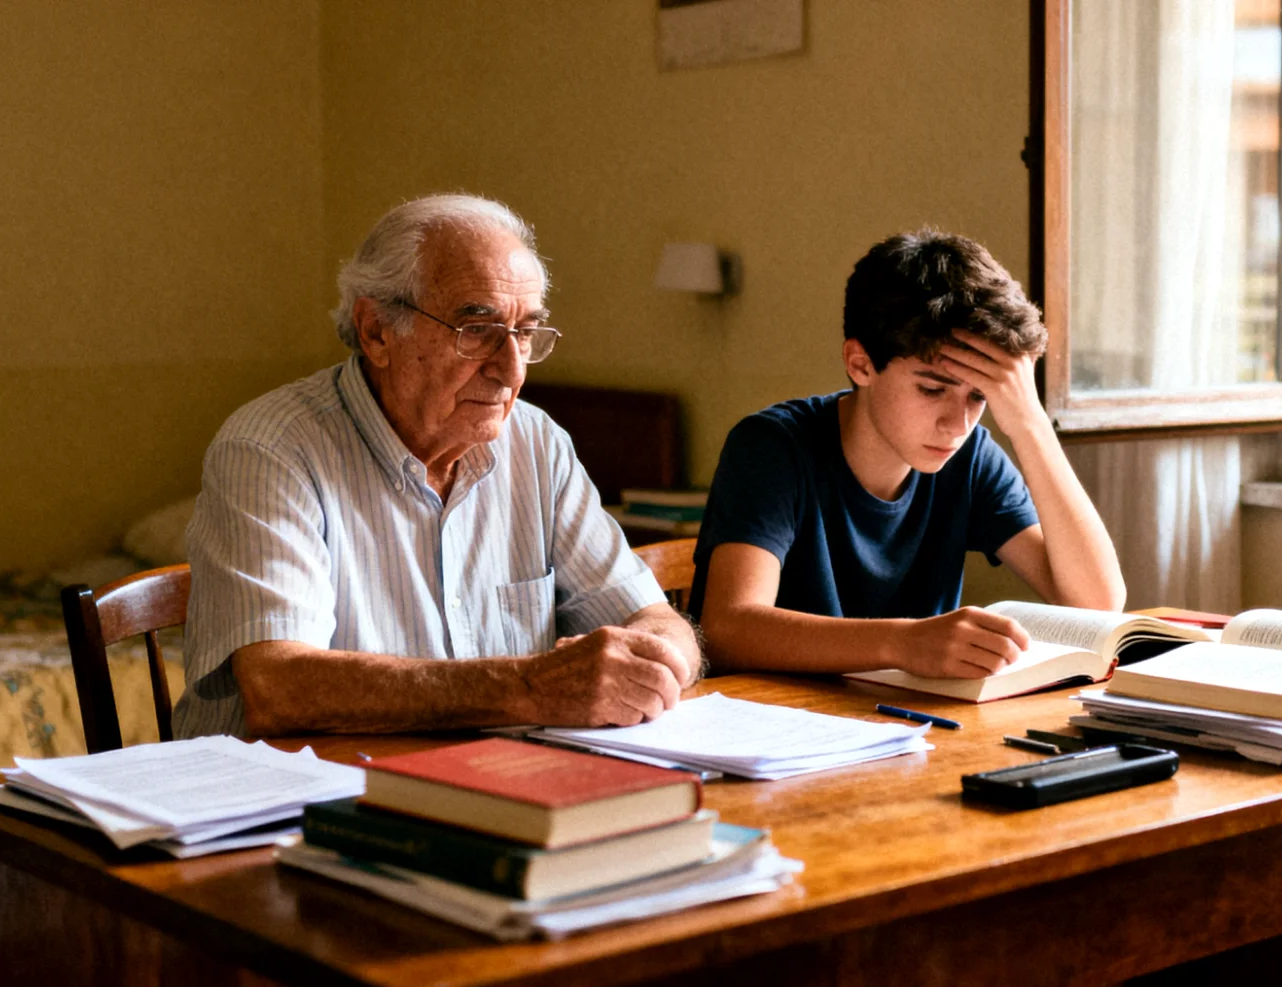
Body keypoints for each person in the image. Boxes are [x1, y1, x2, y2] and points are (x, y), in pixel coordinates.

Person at [174, 194, 700, 738]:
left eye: (525, 333)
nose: (511, 369)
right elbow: (279, 687)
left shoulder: (537, 443)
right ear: (377, 331)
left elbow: (648, 616)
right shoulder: (270, 450)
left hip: (488, 785)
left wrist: (658, 662)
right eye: (477, 330)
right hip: (299, 802)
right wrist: (529, 687)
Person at [689, 230, 1124, 679]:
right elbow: (727, 628)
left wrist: (1029, 422)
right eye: (933, 389)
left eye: (979, 397)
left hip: (909, 729)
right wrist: (903, 643)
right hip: (775, 726)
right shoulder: (772, 447)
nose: (957, 425)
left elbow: (1097, 604)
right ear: (860, 364)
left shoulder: (968, 455)